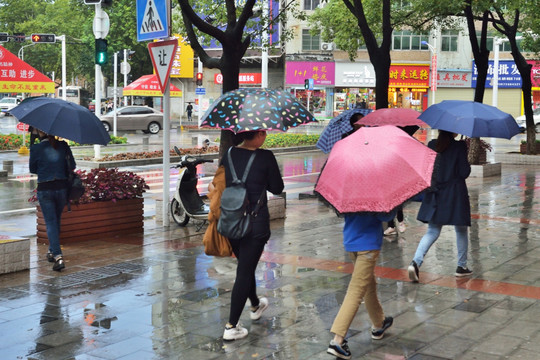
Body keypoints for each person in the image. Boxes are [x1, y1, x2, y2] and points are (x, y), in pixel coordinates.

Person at [220, 130, 284, 341]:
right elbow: (277, 188)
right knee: (244, 272)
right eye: (263, 132)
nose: (265, 136)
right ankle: (232, 326)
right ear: (257, 135)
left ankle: (255, 304)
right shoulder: (265, 156)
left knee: (245, 266)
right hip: (255, 223)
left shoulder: (229, 153)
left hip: (232, 220)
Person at [327, 211, 395, 359]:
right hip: (368, 245)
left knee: (369, 284)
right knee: (356, 290)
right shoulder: (373, 191)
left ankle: (378, 324)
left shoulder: (350, 189)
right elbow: (385, 217)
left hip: (351, 242)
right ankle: (338, 340)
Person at [408, 130, 472, 282]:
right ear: (454, 132)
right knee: (461, 229)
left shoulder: (431, 145)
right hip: (455, 194)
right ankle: (461, 266)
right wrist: (464, 153)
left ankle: (415, 262)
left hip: (435, 193)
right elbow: (464, 172)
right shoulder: (459, 147)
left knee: (432, 231)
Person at [29, 129, 75, 272]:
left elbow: (33, 169)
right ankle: (51, 251)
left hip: (45, 188)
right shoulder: (63, 146)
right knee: (56, 220)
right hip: (62, 188)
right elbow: (72, 166)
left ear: (39, 132)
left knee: (50, 222)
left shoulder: (36, 148)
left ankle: (57, 256)